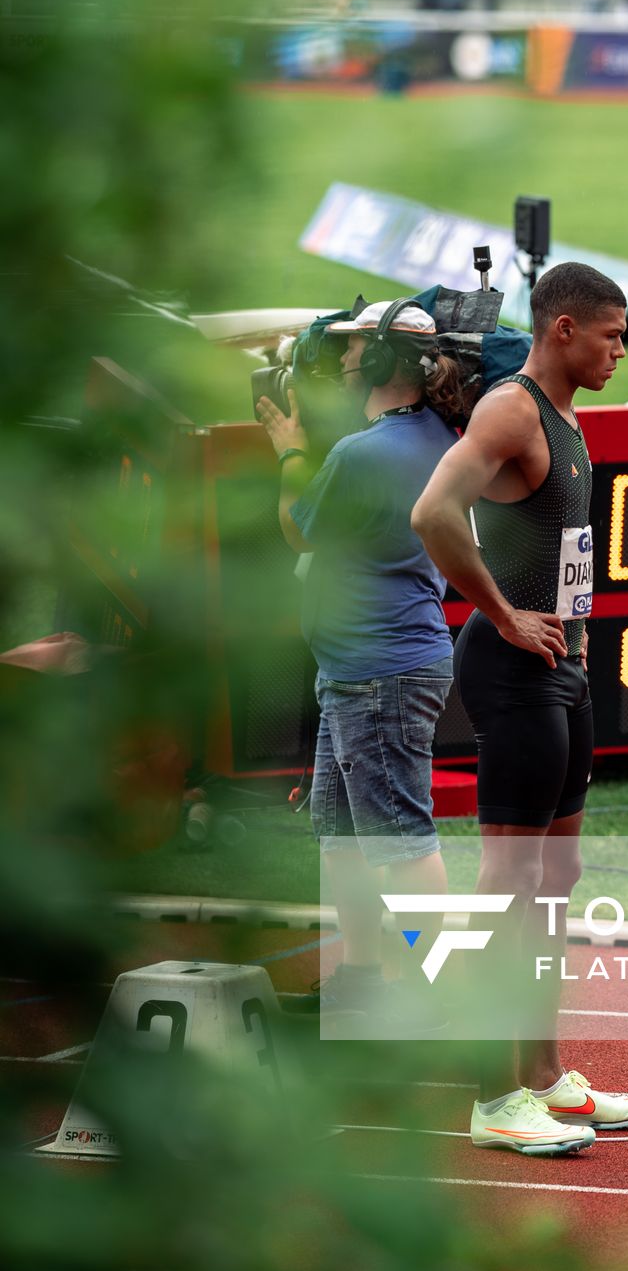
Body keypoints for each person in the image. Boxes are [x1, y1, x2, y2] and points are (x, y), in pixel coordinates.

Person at [411, 263, 628, 1157]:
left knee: (556, 882)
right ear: (562, 330)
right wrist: (502, 613)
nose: (621, 350)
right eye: (612, 335)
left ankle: (547, 1078)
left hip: (565, 668)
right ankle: (492, 1094)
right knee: (507, 887)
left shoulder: (568, 415)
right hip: (512, 670)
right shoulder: (511, 409)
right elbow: (434, 511)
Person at [256, 299, 465, 1023]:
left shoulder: (360, 454)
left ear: (379, 362)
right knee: (342, 839)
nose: (341, 362)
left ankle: (437, 997)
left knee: (401, 841)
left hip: (377, 673)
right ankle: (364, 978)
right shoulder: (436, 434)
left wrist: (287, 447)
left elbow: (298, 531)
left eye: (351, 351)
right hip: (365, 669)